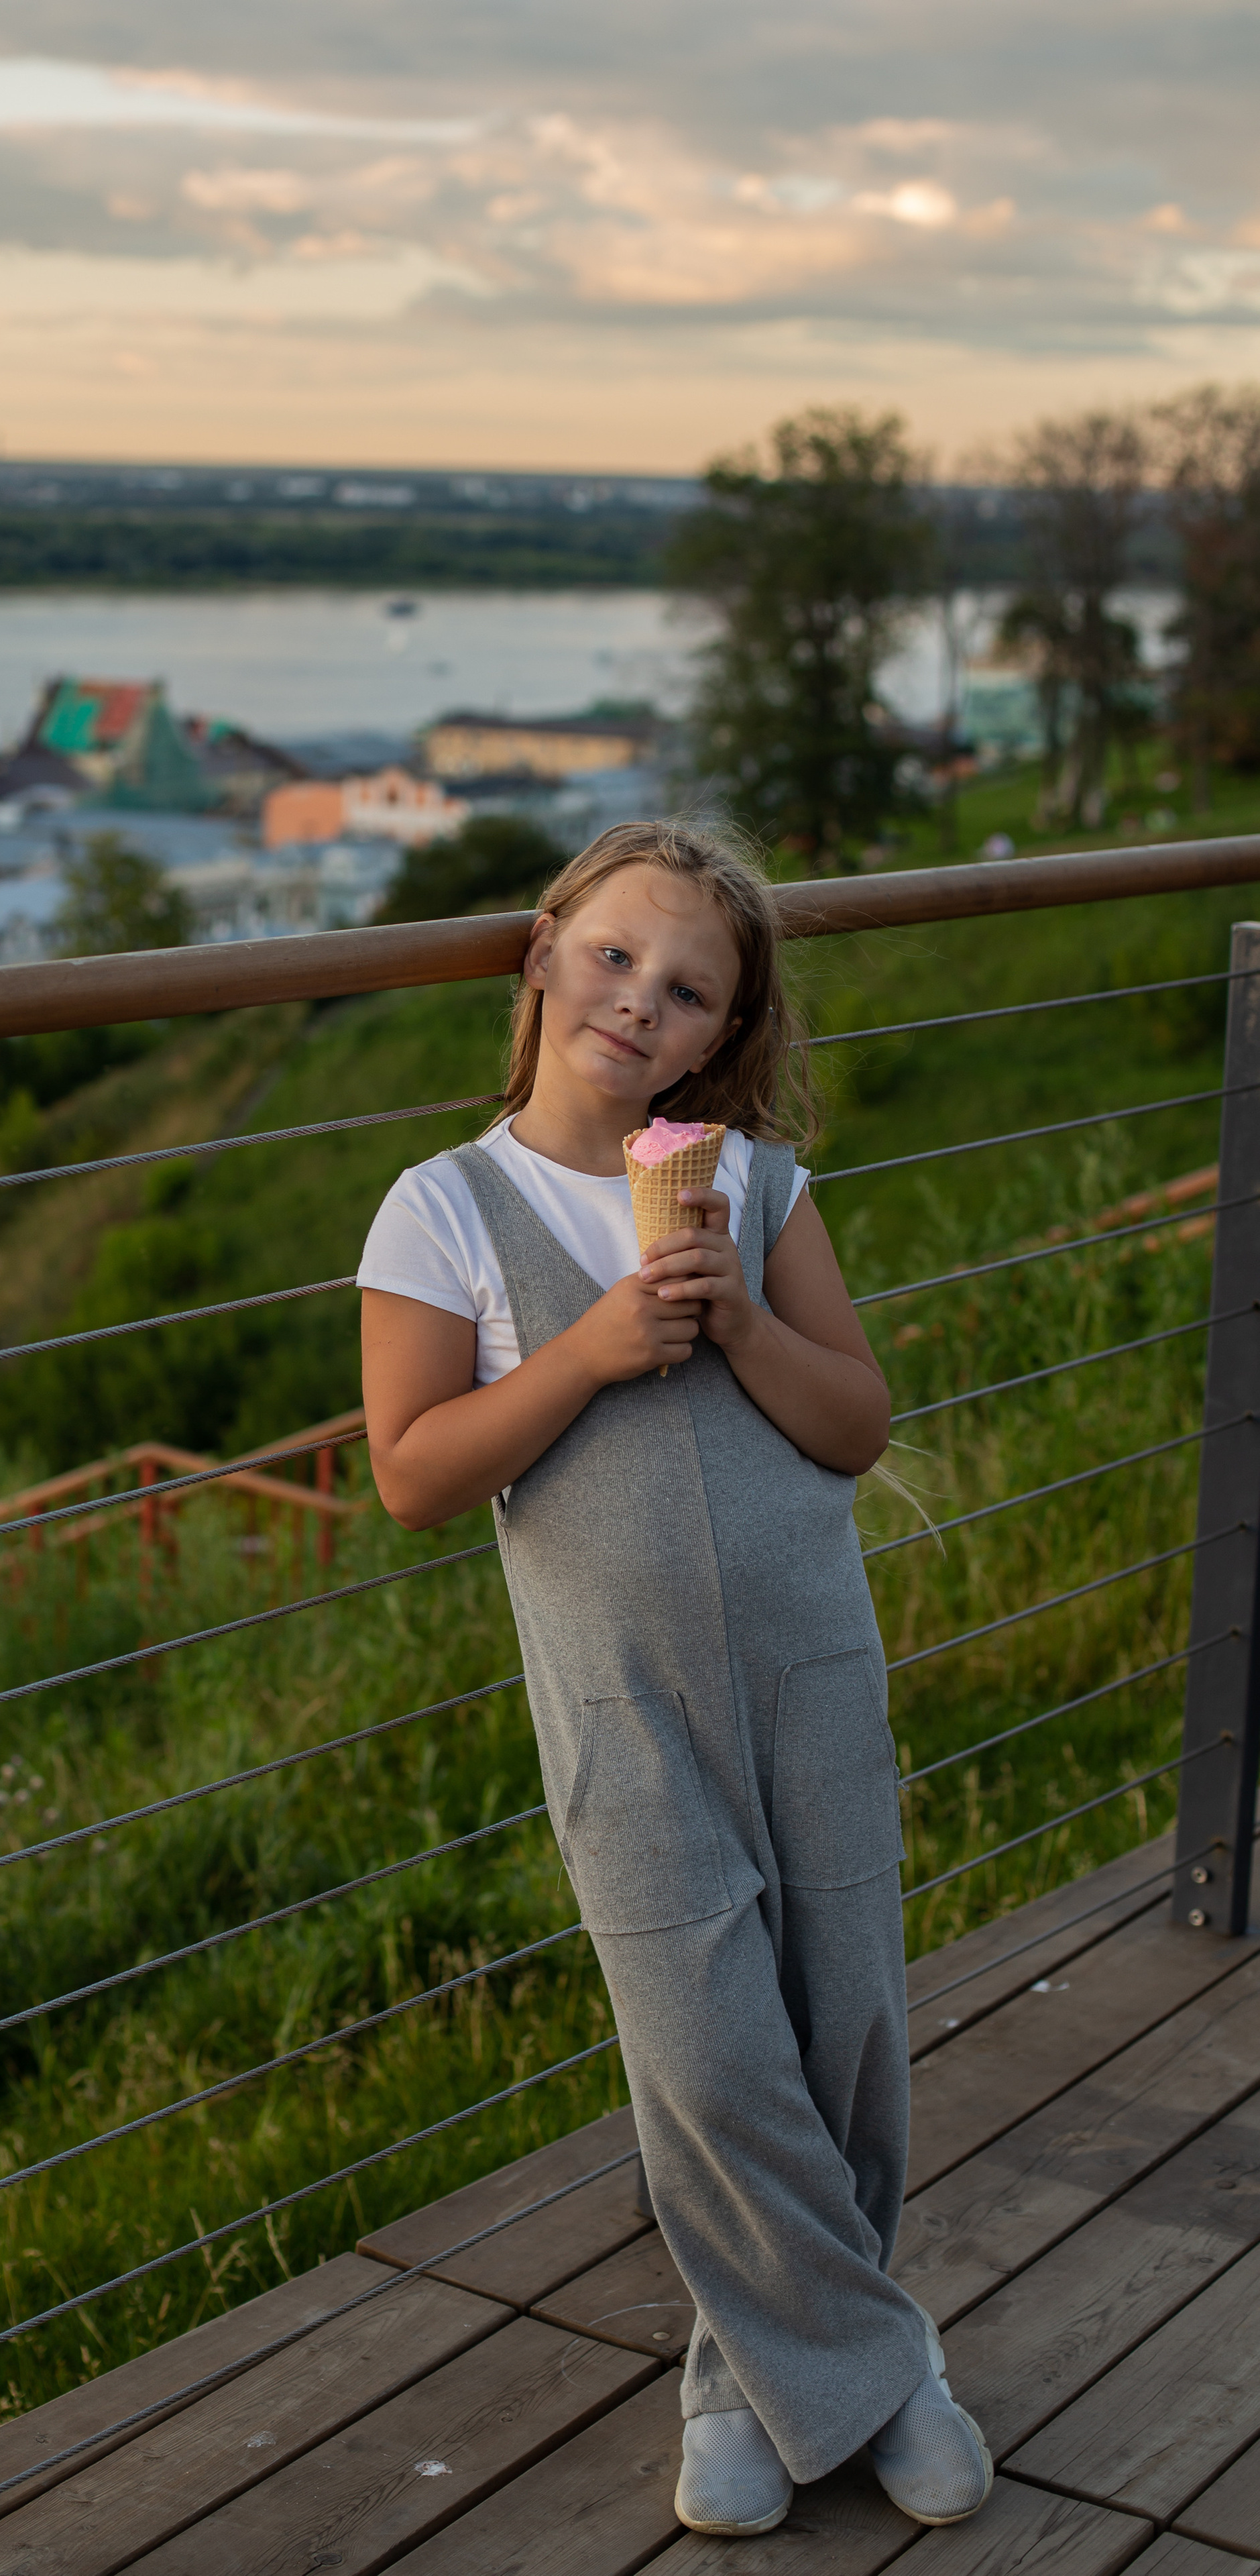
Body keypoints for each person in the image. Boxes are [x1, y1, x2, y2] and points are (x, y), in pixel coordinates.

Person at [357, 818, 993, 2538]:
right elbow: (412, 1473)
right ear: (543, 951)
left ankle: (745, 2378)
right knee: (706, 2051)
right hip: (621, 1711)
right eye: (615, 956)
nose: (640, 1003)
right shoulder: (446, 1209)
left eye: (687, 988)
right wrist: (582, 1350)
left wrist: (737, 1322)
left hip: (811, 1675)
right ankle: (883, 2369)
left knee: (841, 2021)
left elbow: (853, 1430)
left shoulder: (753, 1188)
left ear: (721, 1033)